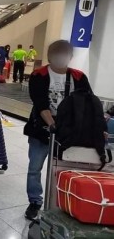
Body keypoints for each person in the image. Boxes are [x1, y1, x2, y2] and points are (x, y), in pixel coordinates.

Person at [23, 40, 92, 220]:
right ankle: (35, 201)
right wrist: (52, 125)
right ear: (50, 56)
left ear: (70, 57)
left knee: (62, 169)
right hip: (41, 129)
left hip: (68, 132)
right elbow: (40, 104)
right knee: (35, 168)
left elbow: (88, 104)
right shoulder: (39, 75)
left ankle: (61, 202)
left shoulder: (79, 77)